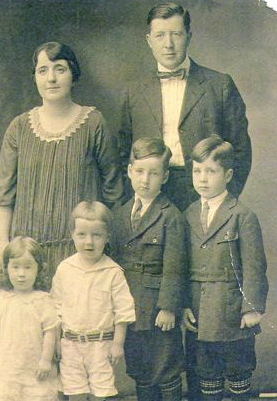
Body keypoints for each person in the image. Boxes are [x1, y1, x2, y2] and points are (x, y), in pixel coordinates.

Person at [0, 41, 124, 280]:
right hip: (27, 254)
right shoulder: (19, 127)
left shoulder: (94, 123)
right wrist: (3, 243)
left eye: (60, 69)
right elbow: (4, 196)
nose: (51, 78)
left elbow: (113, 191)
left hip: (80, 252)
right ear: (34, 77)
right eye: (43, 70)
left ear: (73, 74)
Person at [119, 2, 251, 212]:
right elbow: (122, 150)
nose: (168, 44)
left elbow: (241, 150)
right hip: (151, 191)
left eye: (176, 34)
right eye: (160, 35)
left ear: (189, 36)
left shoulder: (219, 85)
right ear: (149, 40)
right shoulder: (134, 91)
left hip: (203, 191)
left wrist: (223, 199)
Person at [182, 135, 268, 401]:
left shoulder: (242, 215)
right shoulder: (188, 214)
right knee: (206, 373)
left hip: (232, 312)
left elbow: (254, 267)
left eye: (211, 171)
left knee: (237, 370)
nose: (203, 179)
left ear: (228, 174)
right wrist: (184, 304)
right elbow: (182, 267)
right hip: (199, 311)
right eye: (197, 171)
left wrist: (252, 308)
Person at [111, 138, 188, 401]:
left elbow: (175, 266)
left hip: (157, 309)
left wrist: (168, 307)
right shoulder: (119, 215)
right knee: (140, 368)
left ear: (165, 177)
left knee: (166, 367)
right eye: (140, 171)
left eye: (154, 173)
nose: (145, 179)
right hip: (130, 306)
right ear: (129, 171)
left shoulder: (170, 215)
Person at [51, 201, 135, 401]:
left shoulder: (113, 272)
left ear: (107, 237)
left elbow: (123, 311)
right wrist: (56, 342)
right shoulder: (65, 269)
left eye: (96, 235)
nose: (89, 242)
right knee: (75, 393)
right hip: (70, 344)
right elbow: (55, 309)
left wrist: (117, 344)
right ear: (72, 234)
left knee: (100, 393)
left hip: (101, 345)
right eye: (82, 234)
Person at [0, 236, 59, 401]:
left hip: (34, 366)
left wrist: (46, 361)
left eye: (28, 267)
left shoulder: (43, 300)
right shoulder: (1, 301)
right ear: (6, 269)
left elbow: (50, 332)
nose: (21, 274)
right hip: (7, 367)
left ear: (38, 269)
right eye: (15, 267)